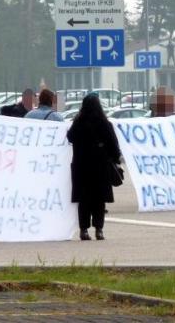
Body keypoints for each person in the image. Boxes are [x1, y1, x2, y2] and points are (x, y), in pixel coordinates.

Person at [67, 94, 121, 241]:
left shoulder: (78, 123)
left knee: (83, 200)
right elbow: (114, 146)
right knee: (99, 199)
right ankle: (99, 230)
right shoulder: (104, 124)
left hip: (81, 166)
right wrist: (116, 159)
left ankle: (83, 230)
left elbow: (70, 137)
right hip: (100, 167)